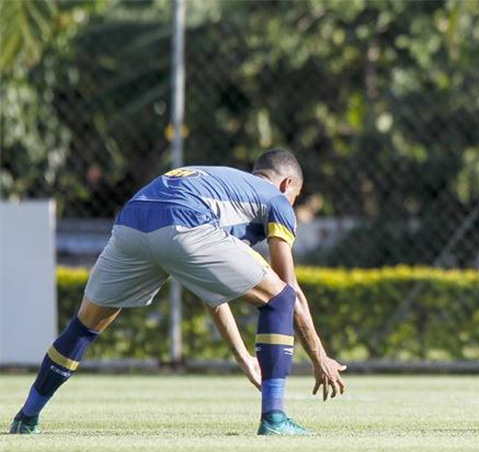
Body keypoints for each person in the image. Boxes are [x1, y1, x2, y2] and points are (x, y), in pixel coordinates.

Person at [10, 148, 347, 436]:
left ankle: (26, 417)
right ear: (288, 185)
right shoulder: (277, 199)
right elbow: (290, 291)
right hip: (184, 222)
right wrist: (320, 358)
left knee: (85, 325)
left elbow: (210, 289)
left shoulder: (225, 184)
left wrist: (243, 356)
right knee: (279, 298)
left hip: (132, 221)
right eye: (295, 196)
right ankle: (274, 418)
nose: (291, 204)